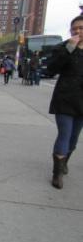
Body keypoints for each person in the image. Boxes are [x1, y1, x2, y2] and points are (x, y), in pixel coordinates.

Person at [47, 15, 83, 189]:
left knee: (74, 139)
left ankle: (64, 162)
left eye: (81, 28)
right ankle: (57, 173)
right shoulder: (64, 48)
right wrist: (69, 47)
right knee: (65, 134)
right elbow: (51, 69)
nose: (77, 31)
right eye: (74, 28)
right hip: (65, 98)